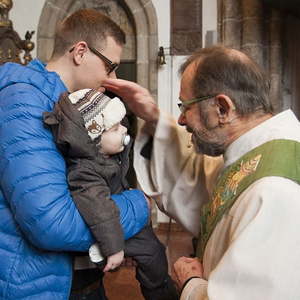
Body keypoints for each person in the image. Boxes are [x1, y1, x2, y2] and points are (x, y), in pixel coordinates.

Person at [102, 45, 300, 300]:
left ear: (222, 109)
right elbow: (201, 178)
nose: (181, 120)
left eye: (186, 106)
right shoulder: (254, 153)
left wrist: (191, 283)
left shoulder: (276, 189)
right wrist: (154, 118)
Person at [0, 9, 149, 300]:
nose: (113, 79)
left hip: (76, 278)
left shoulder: (67, 103)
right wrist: (140, 206)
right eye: (110, 66)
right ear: (80, 52)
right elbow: (51, 223)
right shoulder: (24, 100)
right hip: (35, 285)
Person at [43, 88, 179, 300]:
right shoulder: (85, 170)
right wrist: (114, 247)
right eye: (115, 128)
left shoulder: (106, 156)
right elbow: (99, 209)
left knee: (154, 253)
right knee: (153, 254)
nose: (124, 131)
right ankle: (161, 293)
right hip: (108, 228)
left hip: (117, 222)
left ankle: (158, 287)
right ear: (94, 139)